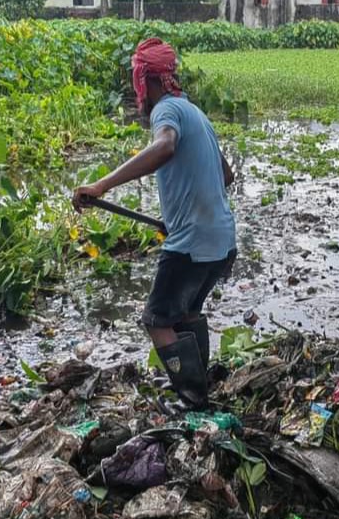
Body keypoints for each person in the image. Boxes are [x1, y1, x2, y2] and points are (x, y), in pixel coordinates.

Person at [72, 38, 237, 410]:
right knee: (187, 313)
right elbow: (224, 176)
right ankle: (198, 386)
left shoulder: (166, 111)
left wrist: (102, 184)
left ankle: (192, 398)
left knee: (157, 321)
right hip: (221, 239)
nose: (139, 95)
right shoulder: (194, 112)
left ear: (149, 82)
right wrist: (179, 215)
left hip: (193, 241)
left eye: (139, 85)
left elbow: (165, 147)